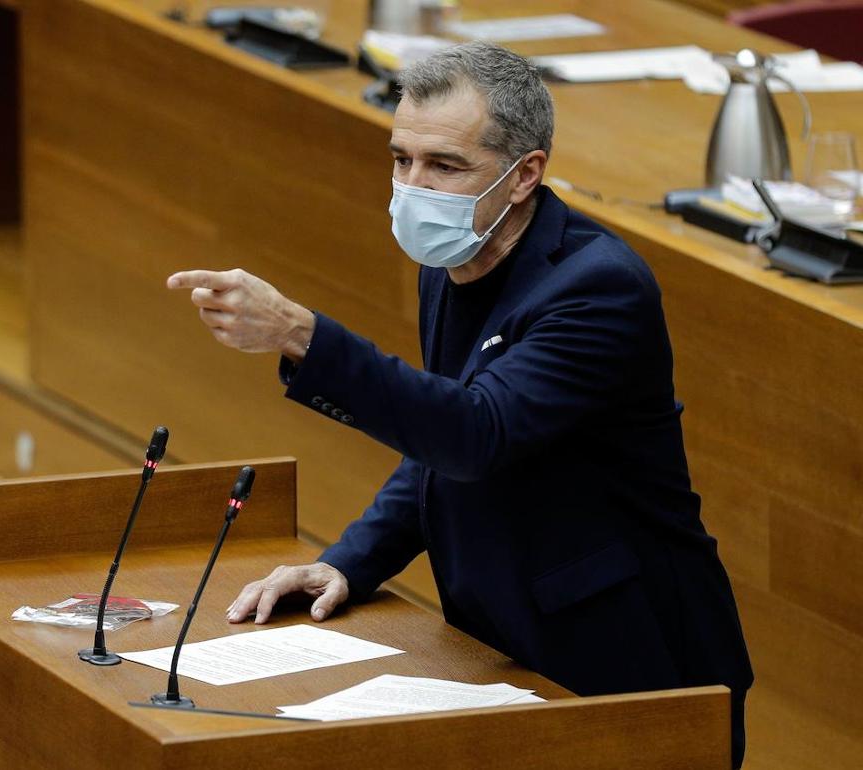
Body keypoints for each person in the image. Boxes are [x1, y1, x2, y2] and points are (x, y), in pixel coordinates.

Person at [166, 42, 753, 766]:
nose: (414, 186)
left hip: (628, 661)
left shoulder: (599, 289)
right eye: (400, 159)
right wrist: (352, 562)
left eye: (444, 166)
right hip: (501, 640)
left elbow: (478, 433)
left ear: (524, 175)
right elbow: (438, 444)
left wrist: (300, 334)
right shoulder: (453, 261)